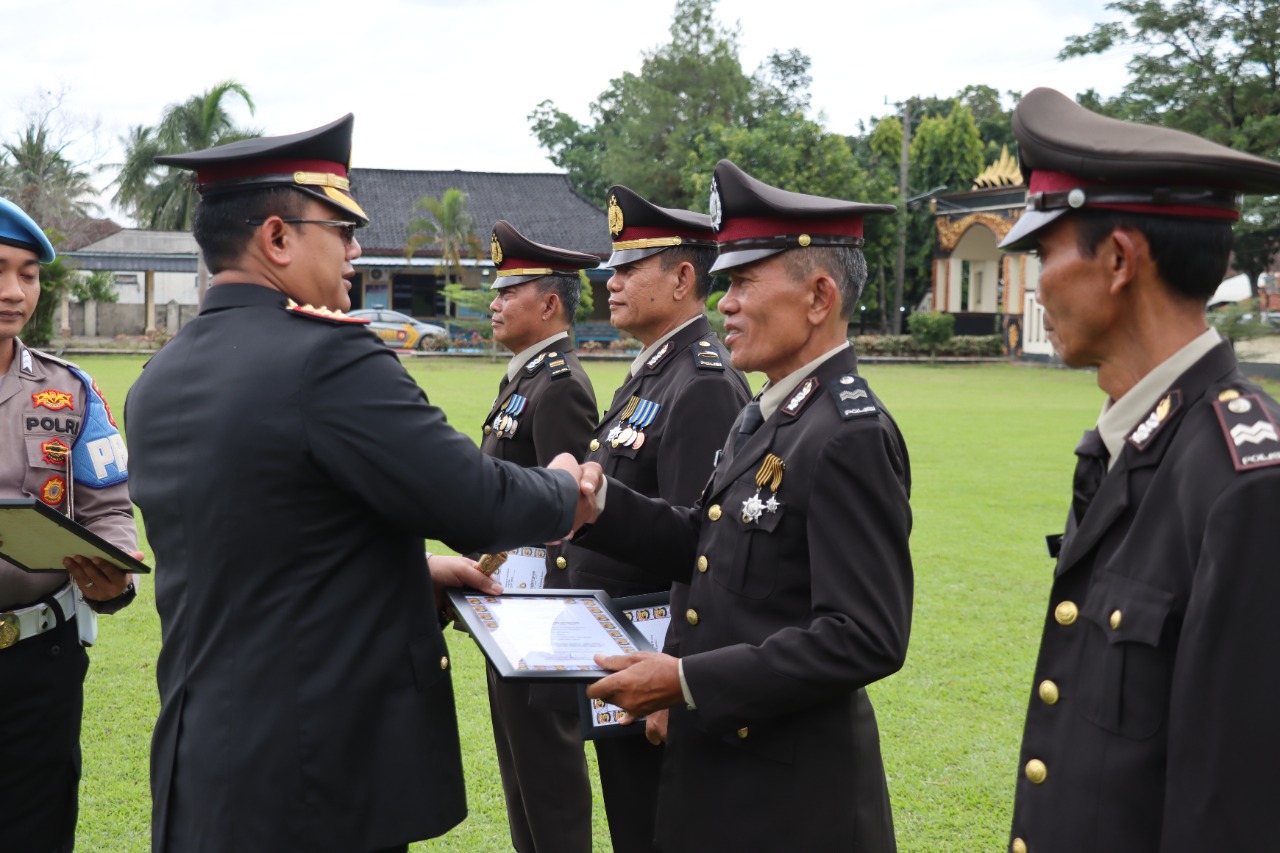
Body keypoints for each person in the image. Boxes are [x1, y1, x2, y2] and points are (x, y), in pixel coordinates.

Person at [124, 114, 595, 853]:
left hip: (202, 762)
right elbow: (476, 502)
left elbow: (266, 542)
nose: (355, 249)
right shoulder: (330, 359)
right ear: (277, 238)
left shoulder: (160, 375)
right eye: (339, 229)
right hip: (316, 779)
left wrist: (403, 571)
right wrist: (567, 488)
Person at [575, 160, 914, 852]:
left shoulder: (848, 431)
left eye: (743, 281)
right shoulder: (767, 415)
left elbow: (865, 633)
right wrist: (599, 502)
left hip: (793, 799)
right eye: (724, 281)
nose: (723, 301)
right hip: (723, 770)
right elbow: (704, 547)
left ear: (819, 296)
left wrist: (689, 680)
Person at [996, 88, 1280, 853]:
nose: (1036, 283)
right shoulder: (1131, 442)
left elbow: (1232, 812)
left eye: (1045, 250)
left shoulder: (1246, 483)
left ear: (1119, 259)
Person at [560, 184, 749, 853]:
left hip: (653, 672)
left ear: (683, 278)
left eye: (629, 267)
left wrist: (674, 676)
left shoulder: (700, 381)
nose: (610, 280)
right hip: (621, 660)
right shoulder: (653, 373)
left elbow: (701, 547)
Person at [0, 196, 139, 853]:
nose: (13, 291)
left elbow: (109, 504)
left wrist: (113, 573)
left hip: (39, 660)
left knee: (35, 831)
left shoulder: (69, 389)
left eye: (27, 274)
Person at [480, 218, 598, 853]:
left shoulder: (558, 385)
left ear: (549, 303)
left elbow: (568, 517)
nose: (494, 304)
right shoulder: (523, 379)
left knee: (548, 777)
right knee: (520, 775)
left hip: (540, 616)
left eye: (508, 292)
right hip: (507, 606)